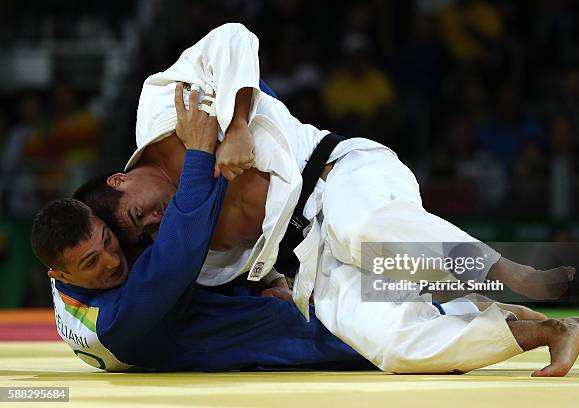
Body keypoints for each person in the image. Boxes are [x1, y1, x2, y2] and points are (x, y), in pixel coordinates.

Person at [77, 23, 579, 376]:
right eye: (145, 232)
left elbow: (233, 39)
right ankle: (548, 331)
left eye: (137, 212)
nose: (155, 220)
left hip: (338, 177)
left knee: (363, 231)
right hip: (312, 264)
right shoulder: (188, 245)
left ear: (119, 181)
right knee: (390, 346)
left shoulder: (162, 109)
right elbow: (247, 269)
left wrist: (233, 124)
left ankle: (513, 275)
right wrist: (271, 283)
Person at [30, 91, 373, 372]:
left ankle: (425, 278)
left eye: (108, 240)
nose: (111, 261)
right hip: (254, 330)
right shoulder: (110, 325)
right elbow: (175, 259)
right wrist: (198, 151)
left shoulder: (71, 252)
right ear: (58, 273)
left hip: (251, 283)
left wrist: (266, 281)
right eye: (91, 262)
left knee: (404, 271)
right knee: (384, 324)